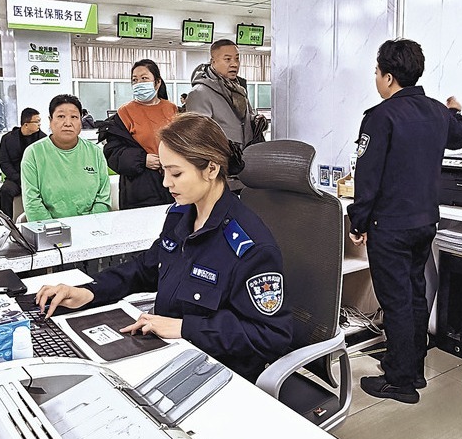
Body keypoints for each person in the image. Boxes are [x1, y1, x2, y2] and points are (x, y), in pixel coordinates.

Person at [33, 113, 294, 381]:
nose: (166, 183)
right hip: (167, 352)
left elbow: (271, 335)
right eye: (164, 171)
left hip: (216, 371)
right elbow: (146, 268)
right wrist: (89, 292)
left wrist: (185, 328)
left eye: (176, 173)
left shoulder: (248, 245)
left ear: (211, 169)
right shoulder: (181, 215)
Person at [347, 39, 462, 404]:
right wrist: (455, 111)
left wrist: (358, 222)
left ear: (388, 77)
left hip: (390, 226)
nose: (376, 78)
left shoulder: (380, 117)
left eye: (376, 72)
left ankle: (400, 380)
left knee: (396, 300)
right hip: (424, 223)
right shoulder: (437, 113)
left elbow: (368, 178)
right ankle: (412, 366)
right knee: (415, 294)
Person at [20, 94, 110, 221]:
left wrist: (89, 226)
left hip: (91, 227)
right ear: (50, 120)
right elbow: (32, 204)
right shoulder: (33, 153)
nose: (68, 123)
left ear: (80, 121)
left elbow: (103, 198)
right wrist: (57, 230)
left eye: (74, 117)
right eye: (61, 116)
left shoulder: (95, 152)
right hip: (50, 230)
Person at [103, 59, 178, 210]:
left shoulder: (172, 109)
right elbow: (113, 152)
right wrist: (142, 159)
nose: (139, 83)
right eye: (135, 80)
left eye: (144, 78)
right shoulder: (124, 113)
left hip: (174, 183)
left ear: (157, 83)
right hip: (140, 189)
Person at [185, 39, 260, 148]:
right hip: (221, 155)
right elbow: (199, 136)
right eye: (227, 59)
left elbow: (244, 120)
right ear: (213, 62)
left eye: (237, 59)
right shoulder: (199, 93)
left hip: (246, 153)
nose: (234, 64)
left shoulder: (239, 89)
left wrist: (256, 120)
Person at [0, 108, 45, 218]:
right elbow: (4, 162)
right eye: (36, 121)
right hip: (16, 178)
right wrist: (18, 178)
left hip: (36, 179)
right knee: (5, 191)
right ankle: (6, 221)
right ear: (26, 124)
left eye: (39, 121)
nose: (39, 124)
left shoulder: (43, 139)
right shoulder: (8, 139)